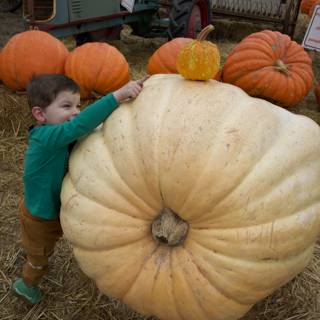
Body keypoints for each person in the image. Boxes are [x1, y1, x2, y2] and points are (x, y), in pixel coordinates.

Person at [11, 73, 147, 304]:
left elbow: (83, 129)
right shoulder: (46, 138)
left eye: (78, 105)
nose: (75, 112)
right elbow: (80, 125)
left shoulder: (59, 134)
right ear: (40, 114)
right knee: (40, 254)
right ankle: (27, 283)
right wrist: (116, 97)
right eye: (66, 106)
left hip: (59, 207)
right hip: (40, 215)